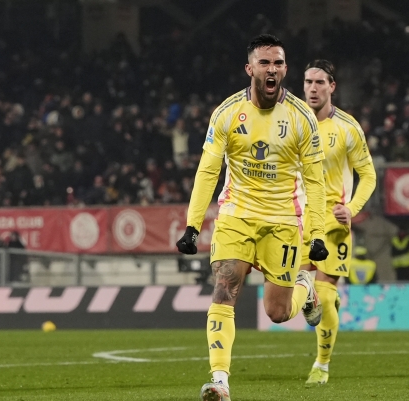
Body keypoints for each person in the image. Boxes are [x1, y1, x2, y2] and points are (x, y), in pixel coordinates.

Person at [175, 34, 329, 401]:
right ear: (250, 69)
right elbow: (207, 171)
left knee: (277, 312)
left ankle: (305, 289)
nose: (272, 69)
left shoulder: (301, 117)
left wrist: (318, 234)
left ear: (285, 69)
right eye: (265, 62)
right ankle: (220, 381)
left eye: (278, 63)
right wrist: (193, 225)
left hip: (283, 221)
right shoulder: (227, 113)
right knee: (224, 290)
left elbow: (316, 182)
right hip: (236, 215)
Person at [298, 59, 377, 385]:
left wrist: (353, 207)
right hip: (297, 220)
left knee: (326, 296)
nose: (313, 88)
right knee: (291, 291)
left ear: (332, 87)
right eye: (308, 82)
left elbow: (368, 175)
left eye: (320, 83)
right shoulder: (290, 121)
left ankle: (322, 364)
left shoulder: (347, 127)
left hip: (332, 224)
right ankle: (313, 297)